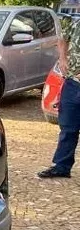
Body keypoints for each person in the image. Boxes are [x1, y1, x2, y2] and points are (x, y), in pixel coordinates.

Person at [38, 16, 80, 178]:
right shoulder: (77, 24)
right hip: (72, 83)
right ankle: (62, 166)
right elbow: (62, 40)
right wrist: (62, 59)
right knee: (67, 127)